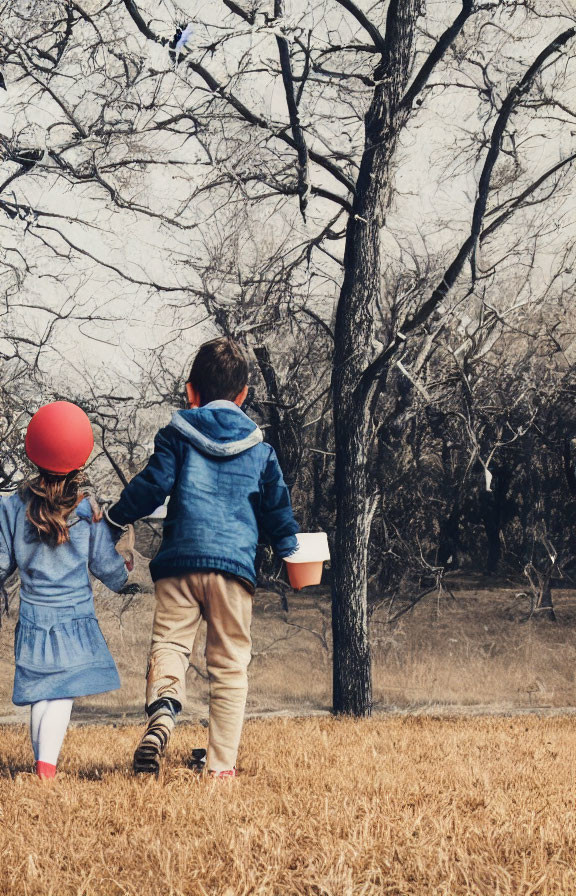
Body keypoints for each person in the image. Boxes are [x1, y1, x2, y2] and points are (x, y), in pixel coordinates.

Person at [104, 336, 300, 778]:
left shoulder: (177, 435)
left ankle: (164, 714)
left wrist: (118, 514)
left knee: (171, 644)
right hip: (233, 572)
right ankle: (220, 768)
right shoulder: (261, 451)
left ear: (191, 391)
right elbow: (277, 509)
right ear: (245, 396)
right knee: (230, 665)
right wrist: (288, 546)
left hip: (179, 564)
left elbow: (153, 485)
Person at [0, 401, 132, 780]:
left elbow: (2, 563)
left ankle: (42, 766)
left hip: (32, 618)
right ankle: (46, 771)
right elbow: (106, 565)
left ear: (33, 450)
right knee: (61, 693)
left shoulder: (11, 508)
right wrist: (125, 578)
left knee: (43, 691)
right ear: (80, 459)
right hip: (74, 620)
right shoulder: (86, 510)